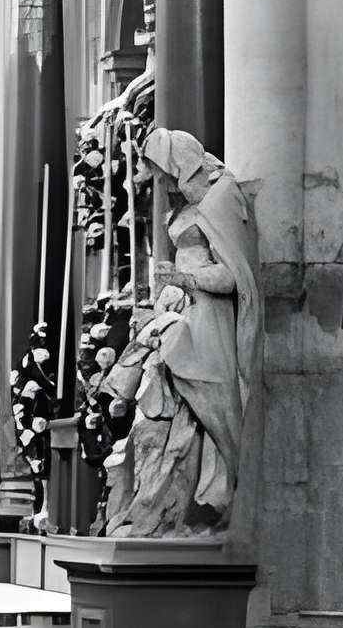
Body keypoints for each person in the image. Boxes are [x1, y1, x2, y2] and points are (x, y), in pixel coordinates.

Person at [104, 128, 261, 535]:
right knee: (161, 404)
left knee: (213, 412)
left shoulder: (221, 197)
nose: (166, 185)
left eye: (166, 175)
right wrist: (172, 288)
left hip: (210, 320)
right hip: (186, 308)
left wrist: (184, 280)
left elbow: (232, 277)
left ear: (182, 165)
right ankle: (164, 508)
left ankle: (214, 503)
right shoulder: (194, 204)